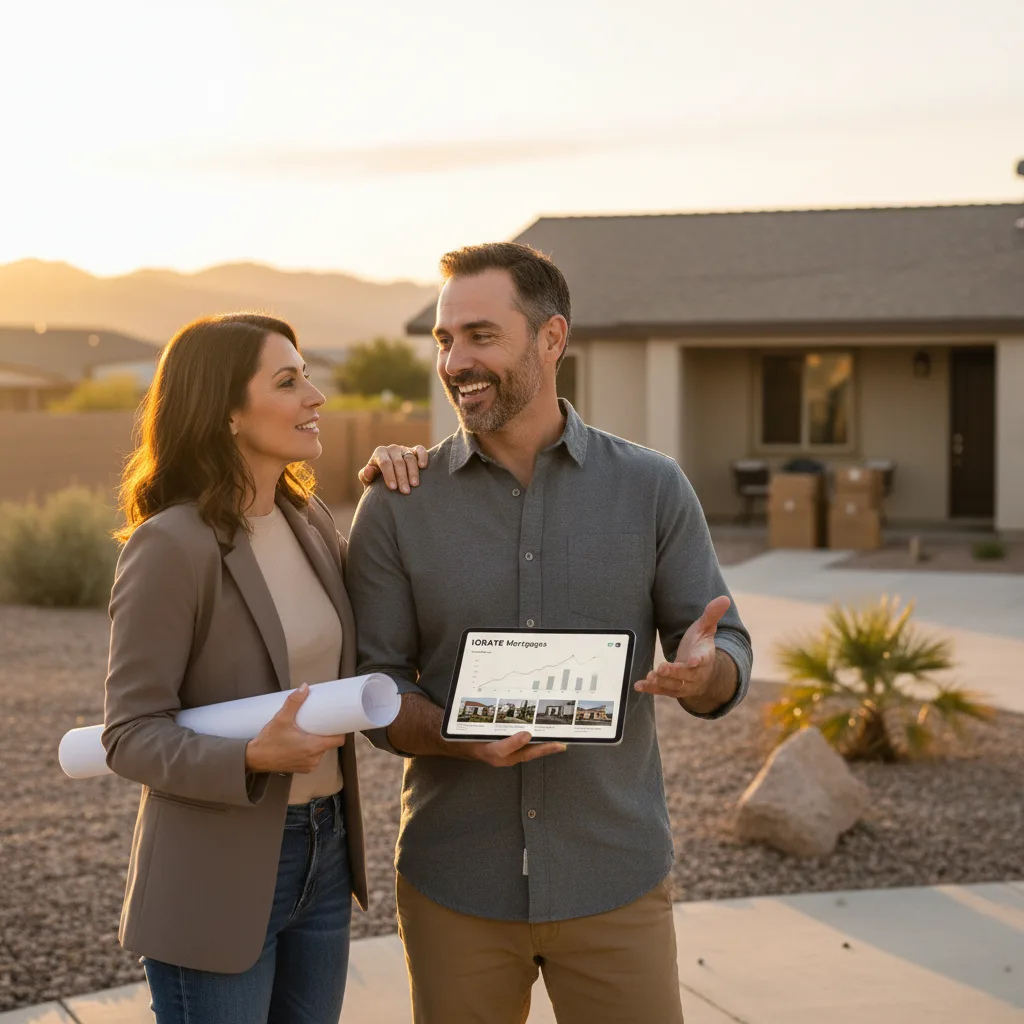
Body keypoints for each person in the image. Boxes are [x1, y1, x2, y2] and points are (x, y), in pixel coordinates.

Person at [347, 243, 753, 1024]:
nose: (456, 362)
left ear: (551, 338)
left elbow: (725, 647)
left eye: (481, 336)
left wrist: (707, 674)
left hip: (615, 878)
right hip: (455, 885)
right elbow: (376, 685)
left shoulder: (651, 487)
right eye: (445, 341)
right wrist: (458, 735)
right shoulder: (399, 504)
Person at [101, 312, 427, 1024]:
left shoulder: (310, 521)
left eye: (307, 375)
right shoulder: (171, 546)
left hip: (326, 851)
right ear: (226, 413)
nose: (315, 396)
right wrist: (250, 755)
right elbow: (127, 734)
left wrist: (406, 476)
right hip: (214, 871)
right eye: (287, 382)